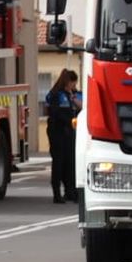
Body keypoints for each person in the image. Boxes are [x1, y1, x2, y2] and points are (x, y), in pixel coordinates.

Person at [46, 70, 81, 204]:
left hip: (69, 131)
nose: (74, 85)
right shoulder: (56, 95)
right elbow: (55, 114)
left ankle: (70, 191)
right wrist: (68, 120)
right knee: (59, 162)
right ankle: (57, 193)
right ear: (68, 82)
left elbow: (80, 109)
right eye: (73, 82)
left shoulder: (72, 95)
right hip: (57, 131)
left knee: (70, 162)